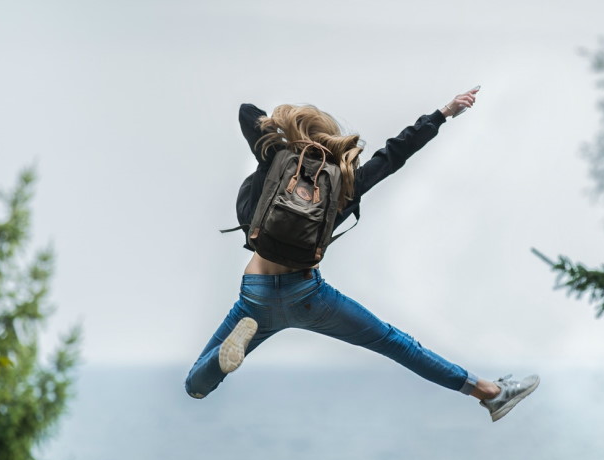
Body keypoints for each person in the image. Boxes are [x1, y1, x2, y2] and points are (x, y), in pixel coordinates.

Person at [185, 88, 539, 421]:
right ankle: (489, 393)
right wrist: (443, 113)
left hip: (256, 295)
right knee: (396, 344)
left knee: (195, 386)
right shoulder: (344, 182)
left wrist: (287, 134)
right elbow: (394, 154)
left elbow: (247, 112)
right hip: (308, 296)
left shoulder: (275, 159)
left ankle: (221, 360)